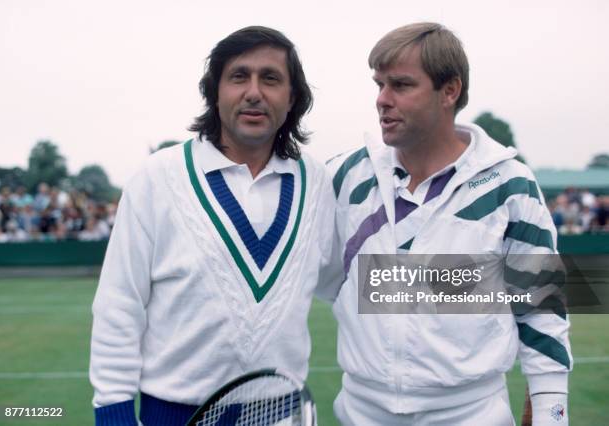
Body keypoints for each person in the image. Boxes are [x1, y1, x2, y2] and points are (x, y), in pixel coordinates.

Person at [324, 23, 571, 425]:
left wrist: (552, 414)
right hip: (361, 413)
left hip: (472, 414)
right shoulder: (343, 176)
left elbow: (542, 308)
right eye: (379, 84)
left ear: (450, 91)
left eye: (401, 85)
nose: (382, 100)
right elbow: (311, 275)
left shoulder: (510, 185)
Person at [90, 26, 337, 426]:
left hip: (279, 414)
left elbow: (349, 281)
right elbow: (119, 303)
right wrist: (113, 410)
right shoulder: (158, 176)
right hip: (171, 413)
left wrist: (471, 287)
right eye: (239, 76)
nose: (254, 92)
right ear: (215, 91)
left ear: (291, 98)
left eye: (270, 78)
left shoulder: (318, 182)